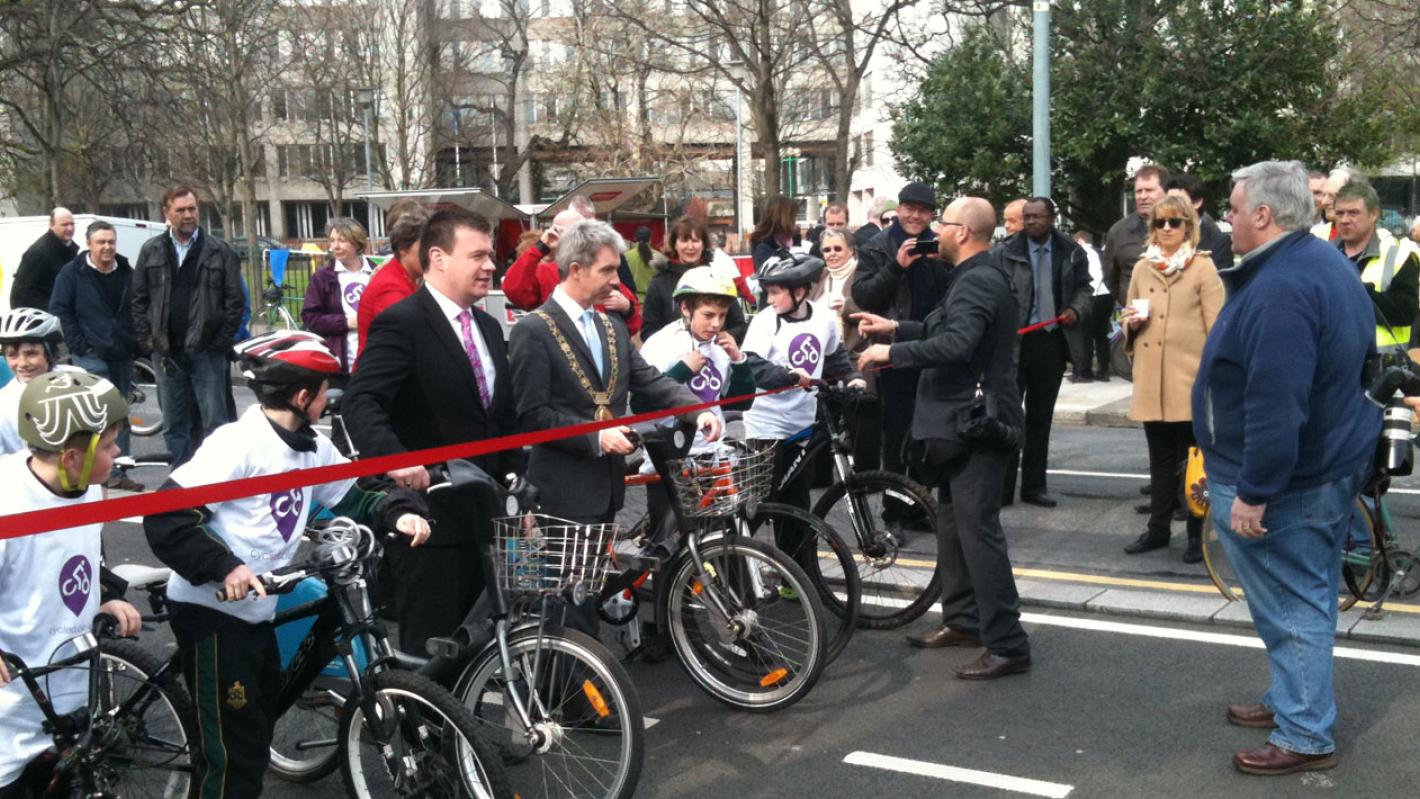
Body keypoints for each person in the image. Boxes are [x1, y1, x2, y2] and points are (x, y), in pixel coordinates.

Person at [145, 331, 430, 799]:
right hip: (213, 611)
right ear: (302, 396)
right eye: (324, 391)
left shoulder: (311, 446)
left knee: (252, 735)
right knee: (233, 759)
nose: (328, 400)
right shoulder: (237, 445)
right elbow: (168, 517)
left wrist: (398, 511)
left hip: (258, 608)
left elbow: (353, 494)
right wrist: (227, 567)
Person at [1199, 160, 1379, 776]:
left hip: (1292, 480)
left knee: (1293, 603)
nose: (1226, 218)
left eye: (1232, 207)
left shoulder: (1281, 286)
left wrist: (1255, 491)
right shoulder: (1316, 259)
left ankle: (1304, 732)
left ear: (1263, 215)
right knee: (1304, 594)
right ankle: (1290, 699)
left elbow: (1277, 404)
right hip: (1327, 465)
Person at [855, 196, 1030, 680]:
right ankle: (964, 620)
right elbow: (943, 325)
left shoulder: (977, 280)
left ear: (963, 232)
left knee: (978, 534)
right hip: (962, 423)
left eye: (944, 222)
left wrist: (892, 352)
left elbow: (958, 344)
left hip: (975, 422)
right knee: (954, 526)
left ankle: (1008, 643)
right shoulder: (976, 275)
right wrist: (897, 325)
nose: (934, 231)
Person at [344, 208, 525, 654]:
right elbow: (361, 402)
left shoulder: (485, 325)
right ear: (438, 258)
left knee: (476, 654)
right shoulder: (402, 322)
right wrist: (398, 460)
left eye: (491, 255)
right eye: (478, 255)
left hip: (484, 519)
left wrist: (518, 488)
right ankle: (419, 726)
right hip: (430, 523)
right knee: (431, 655)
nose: (490, 265)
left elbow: (501, 418)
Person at [509, 219, 723, 525]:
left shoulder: (611, 325)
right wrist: (596, 437)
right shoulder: (533, 330)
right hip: (564, 491)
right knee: (578, 576)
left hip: (607, 486)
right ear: (575, 270)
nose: (615, 280)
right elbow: (533, 415)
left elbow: (649, 379)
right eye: (607, 270)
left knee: (602, 574)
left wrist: (697, 411)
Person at [0, 371, 144, 798]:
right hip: (11, 699)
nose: (119, 454)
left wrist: (103, 598)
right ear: (69, 457)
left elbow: (74, 561)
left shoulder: (83, 487)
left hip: (65, 684)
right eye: (112, 444)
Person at [1118, 195, 1223, 563]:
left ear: (1188, 227)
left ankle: (1197, 534)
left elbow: (1217, 329)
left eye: (1174, 222)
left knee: (1192, 464)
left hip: (1189, 380)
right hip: (1152, 380)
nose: (1166, 229)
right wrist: (1128, 324)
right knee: (1159, 462)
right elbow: (1126, 316)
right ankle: (1157, 530)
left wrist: (1213, 378)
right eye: (1159, 223)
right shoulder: (1142, 267)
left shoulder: (1202, 268)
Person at [742, 250, 864, 554]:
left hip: (802, 423)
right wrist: (788, 376)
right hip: (767, 426)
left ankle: (793, 575)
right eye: (767, 292)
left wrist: (852, 377)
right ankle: (732, 560)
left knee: (796, 502)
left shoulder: (823, 318)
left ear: (799, 292)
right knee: (763, 501)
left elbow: (835, 356)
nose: (770, 299)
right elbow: (753, 366)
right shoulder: (765, 322)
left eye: (775, 292)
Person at [851, 182, 950, 522]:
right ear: (898, 210)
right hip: (891, 352)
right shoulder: (877, 246)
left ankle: (918, 505)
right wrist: (897, 266)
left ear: (931, 215)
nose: (915, 215)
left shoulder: (940, 245)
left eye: (923, 210)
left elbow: (951, 294)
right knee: (896, 437)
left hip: (931, 347)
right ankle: (894, 508)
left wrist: (943, 262)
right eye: (909, 208)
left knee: (928, 433)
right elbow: (863, 296)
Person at [131, 186, 243, 466]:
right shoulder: (151, 250)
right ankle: (180, 483)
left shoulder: (220, 251)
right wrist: (149, 342)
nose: (188, 215)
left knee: (215, 424)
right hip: (166, 354)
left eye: (192, 209)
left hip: (207, 353)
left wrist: (220, 343)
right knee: (174, 423)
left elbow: (234, 303)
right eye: (180, 210)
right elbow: (138, 300)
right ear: (166, 213)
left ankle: (217, 480)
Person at [996, 197, 1091, 508]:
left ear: (1052, 218)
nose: (1032, 222)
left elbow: (1085, 288)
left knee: (1040, 418)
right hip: (1015, 343)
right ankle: (1003, 488)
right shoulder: (1006, 251)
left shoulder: (1070, 251)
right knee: (1009, 416)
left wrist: (1076, 308)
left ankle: (1035, 486)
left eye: (1038, 216)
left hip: (1051, 341)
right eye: (1027, 217)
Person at [48, 220, 144, 491]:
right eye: (101, 242)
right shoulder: (72, 273)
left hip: (122, 353)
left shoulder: (126, 271)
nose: (107, 247)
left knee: (121, 412)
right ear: (89, 244)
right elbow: (60, 309)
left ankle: (119, 469)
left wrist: (135, 341)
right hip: (91, 355)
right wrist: (79, 344)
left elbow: (139, 306)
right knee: (98, 413)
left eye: (111, 242)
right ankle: (94, 470)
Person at [502, 208, 643, 336]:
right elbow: (514, 290)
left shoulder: (602, 270)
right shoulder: (544, 271)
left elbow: (633, 322)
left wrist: (627, 308)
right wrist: (541, 247)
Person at [1331, 181, 1420, 354]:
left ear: (1374, 214)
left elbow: (1406, 312)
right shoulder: (1323, 252)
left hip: (1379, 368)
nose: (1344, 220)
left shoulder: (1399, 254)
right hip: (1332, 364)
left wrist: (1360, 293)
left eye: (1353, 213)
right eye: (1340, 213)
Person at [642, 216, 749, 342]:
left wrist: (718, 340)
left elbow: (739, 326)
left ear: (704, 244)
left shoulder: (718, 278)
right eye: (684, 241)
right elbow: (648, 332)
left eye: (695, 240)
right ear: (674, 244)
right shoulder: (659, 282)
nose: (690, 247)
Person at [301, 218, 375, 375]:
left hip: (373, 361)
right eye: (332, 240)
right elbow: (310, 318)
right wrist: (346, 323)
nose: (335, 246)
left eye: (341, 241)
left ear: (357, 243)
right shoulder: (322, 277)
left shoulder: (375, 273)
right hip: (340, 364)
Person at [0, 308, 79, 455]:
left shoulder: (78, 378)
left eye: (31, 353)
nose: (22, 363)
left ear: (49, 354)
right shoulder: (4, 404)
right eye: (12, 355)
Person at [356, 206, 429, 356]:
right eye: (424, 247)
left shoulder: (407, 277)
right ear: (402, 248)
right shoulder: (390, 288)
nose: (430, 255)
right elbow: (408, 339)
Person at [1104, 164, 1169, 304]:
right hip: (1135, 318)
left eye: (1149, 190)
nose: (1143, 196)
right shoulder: (1119, 232)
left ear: (1166, 191)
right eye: (1139, 191)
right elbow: (1110, 279)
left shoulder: (1182, 226)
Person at [8, 208, 78, 310]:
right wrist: (54, 309)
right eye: (64, 225)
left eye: (72, 224)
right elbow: (21, 293)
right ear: (52, 225)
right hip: (46, 317)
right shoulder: (39, 252)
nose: (70, 228)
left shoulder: (69, 249)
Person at [1166, 172, 1234, 269]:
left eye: (1177, 201)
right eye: (1168, 201)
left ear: (1197, 202)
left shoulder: (1219, 243)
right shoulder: (1160, 236)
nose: (1170, 206)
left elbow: (1221, 282)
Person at [1072, 230, 1114, 382]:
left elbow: (1086, 277)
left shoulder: (1081, 253)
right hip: (1106, 295)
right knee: (1101, 335)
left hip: (1091, 296)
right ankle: (1104, 370)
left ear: (1080, 241)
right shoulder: (1101, 253)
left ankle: (1085, 371)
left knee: (1086, 335)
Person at [750, 195, 801, 272]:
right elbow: (771, 277)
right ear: (782, 218)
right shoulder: (764, 247)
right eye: (793, 217)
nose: (795, 221)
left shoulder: (794, 241)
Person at [624, 226, 664, 302]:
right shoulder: (659, 257)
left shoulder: (626, 256)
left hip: (633, 300)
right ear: (650, 240)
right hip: (653, 300)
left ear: (635, 238)